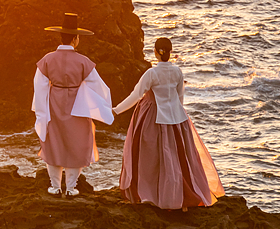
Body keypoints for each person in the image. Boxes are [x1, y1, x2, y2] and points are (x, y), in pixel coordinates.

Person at [112, 37, 224, 210]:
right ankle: (178, 194)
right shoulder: (177, 72)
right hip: (177, 119)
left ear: (155, 52)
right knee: (177, 157)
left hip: (152, 117)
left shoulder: (152, 73)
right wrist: (176, 114)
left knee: (152, 158)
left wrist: (116, 110)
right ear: (170, 52)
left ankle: (153, 194)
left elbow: (136, 95)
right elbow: (180, 98)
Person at [32, 13, 114, 198]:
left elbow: (39, 87)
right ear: (76, 39)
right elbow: (100, 87)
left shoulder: (47, 59)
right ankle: (70, 188)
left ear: (61, 37)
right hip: (77, 106)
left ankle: (54, 187)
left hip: (54, 104)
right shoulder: (83, 61)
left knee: (53, 143)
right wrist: (101, 106)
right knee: (77, 143)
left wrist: (41, 112)